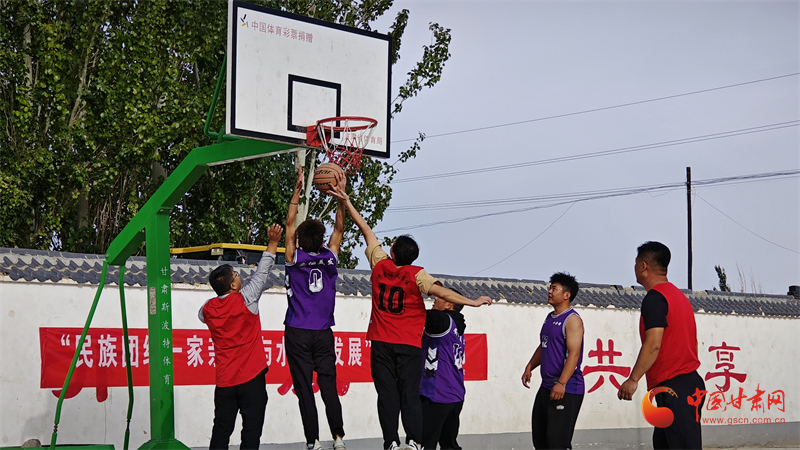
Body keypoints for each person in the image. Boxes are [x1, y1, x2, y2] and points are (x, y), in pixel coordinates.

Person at [328, 177, 492, 450]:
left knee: (387, 396)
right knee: (410, 395)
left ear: (392, 251)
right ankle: (414, 440)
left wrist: (346, 201)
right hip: (408, 345)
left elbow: (365, 229)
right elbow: (443, 293)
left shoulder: (380, 265)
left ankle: (391, 441)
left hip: (381, 342)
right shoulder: (417, 275)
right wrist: (472, 302)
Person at [199, 223, 283, 450]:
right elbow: (263, 271)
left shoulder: (208, 309)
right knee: (251, 431)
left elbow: (201, 315)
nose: (239, 276)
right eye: (236, 275)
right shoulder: (246, 298)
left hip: (225, 382)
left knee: (221, 430)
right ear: (233, 284)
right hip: (251, 378)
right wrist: (273, 242)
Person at [617, 241, 705, 450]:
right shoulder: (678, 296)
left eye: (636, 262)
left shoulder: (655, 298)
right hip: (684, 384)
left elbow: (653, 344)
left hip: (676, 387)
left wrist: (633, 379)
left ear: (643, 266)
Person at [283, 166, 347, 450]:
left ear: (300, 240)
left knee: (304, 388)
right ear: (321, 240)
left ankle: (313, 441)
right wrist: (340, 198)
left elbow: (289, 225)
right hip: (322, 332)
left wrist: (297, 191)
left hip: (297, 330)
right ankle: (338, 437)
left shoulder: (294, 258)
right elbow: (339, 229)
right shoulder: (330, 257)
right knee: (328, 384)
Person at [521, 272, 585, 450]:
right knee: (540, 441)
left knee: (557, 444)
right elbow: (544, 345)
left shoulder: (572, 320)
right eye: (550, 288)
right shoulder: (550, 317)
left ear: (567, 295)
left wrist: (562, 383)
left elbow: (574, 354)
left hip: (567, 388)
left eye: (554, 288)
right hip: (547, 386)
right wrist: (530, 366)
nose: (549, 291)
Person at [419, 288, 470, 450]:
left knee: (425, 443)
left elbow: (417, 313)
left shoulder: (442, 321)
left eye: (440, 296)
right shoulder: (456, 325)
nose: (435, 298)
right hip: (455, 393)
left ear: (449, 304)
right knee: (449, 444)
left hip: (437, 393)